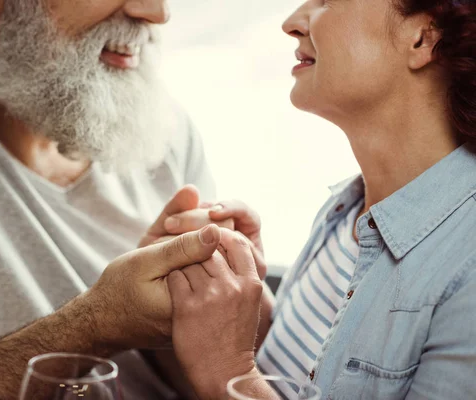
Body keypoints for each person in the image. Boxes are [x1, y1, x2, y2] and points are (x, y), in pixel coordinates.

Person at [0, 0, 273, 398]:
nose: (157, 12)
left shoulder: (157, 119)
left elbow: (203, 373)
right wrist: (98, 323)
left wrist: (200, 303)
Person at [160, 0, 476, 398]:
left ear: (423, 38)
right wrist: (246, 301)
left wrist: (225, 371)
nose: (292, 23)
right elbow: (305, 376)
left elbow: (236, 373)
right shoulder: (348, 209)